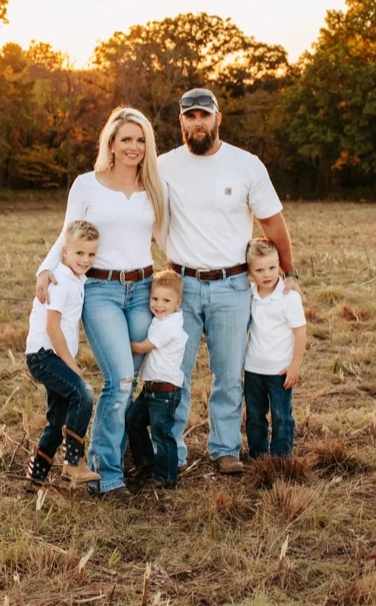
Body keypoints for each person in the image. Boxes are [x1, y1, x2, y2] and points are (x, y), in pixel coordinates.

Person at [158, 88, 300, 475]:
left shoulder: (246, 165)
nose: (198, 122)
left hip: (233, 285)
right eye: (190, 116)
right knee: (175, 372)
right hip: (182, 285)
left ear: (218, 118)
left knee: (229, 374)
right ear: (181, 121)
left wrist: (289, 272)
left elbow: (272, 223)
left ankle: (224, 449)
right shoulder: (163, 166)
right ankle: (172, 453)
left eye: (205, 114)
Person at [35, 106, 168, 499]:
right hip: (102, 292)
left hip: (144, 288)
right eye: (126, 138)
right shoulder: (86, 185)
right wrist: (45, 269)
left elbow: (170, 240)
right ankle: (107, 474)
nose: (134, 146)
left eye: (141, 139)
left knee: (139, 374)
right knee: (121, 378)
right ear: (110, 142)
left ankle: (122, 449)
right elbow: (68, 235)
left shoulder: (154, 188)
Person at [24, 220, 102, 488]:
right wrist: (72, 365)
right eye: (79, 253)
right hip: (43, 355)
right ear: (64, 252)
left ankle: (36, 476)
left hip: (51, 355)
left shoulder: (76, 278)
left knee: (57, 419)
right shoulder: (60, 280)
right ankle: (74, 463)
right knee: (83, 393)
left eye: (91, 254)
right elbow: (52, 326)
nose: (86, 259)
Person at [243, 237, 308, 459]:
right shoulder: (249, 294)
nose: (267, 274)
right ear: (250, 272)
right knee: (255, 415)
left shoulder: (288, 297)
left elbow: (300, 332)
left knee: (281, 415)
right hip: (253, 368)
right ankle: (258, 456)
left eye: (272, 267)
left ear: (279, 264)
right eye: (259, 270)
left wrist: (295, 365)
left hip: (280, 370)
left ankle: (281, 458)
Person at [126, 270, 189, 488]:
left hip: (165, 391)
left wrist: (119, 342)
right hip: (150, 388)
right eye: (155, 299)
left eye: (166, 300)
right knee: (133, 421)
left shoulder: (170, 325)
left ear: (178, 302)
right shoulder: (161, 319)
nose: (159, 305)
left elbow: (143, 347)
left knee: (162, 433)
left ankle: (166, 477)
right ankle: (146, 463)